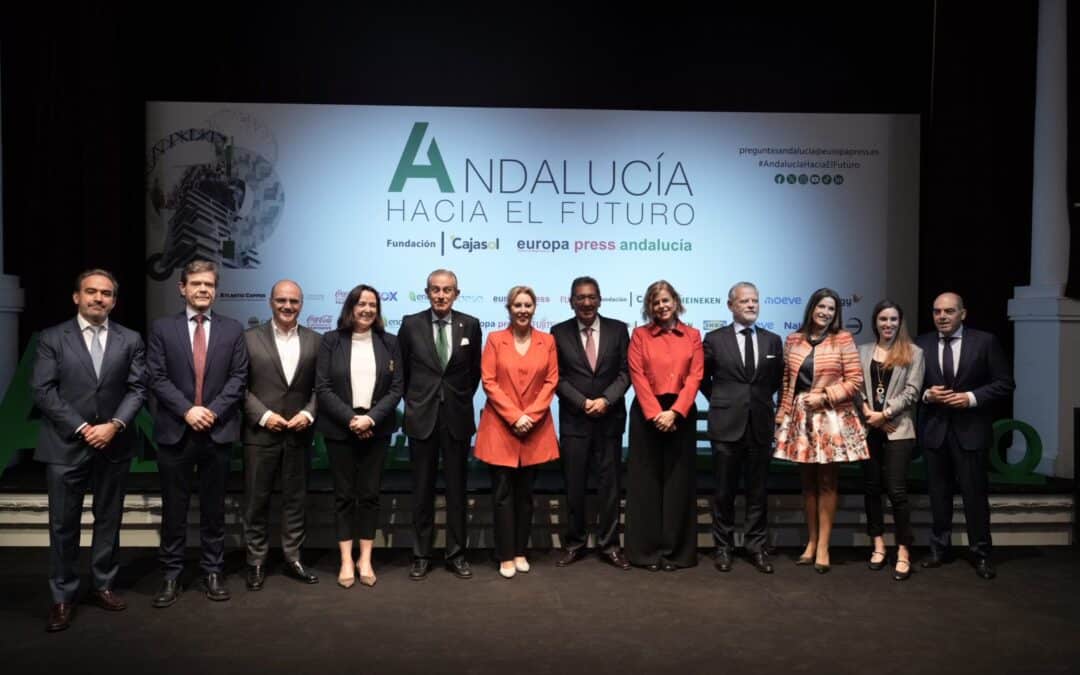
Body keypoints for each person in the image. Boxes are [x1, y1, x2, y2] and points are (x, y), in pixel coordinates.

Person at [32, 269, 146, 632]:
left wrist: (113, 426)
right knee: (63, 525)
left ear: (114, 299)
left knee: (108, 520)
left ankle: (103, 584)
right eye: (92, 292)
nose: (99, 298)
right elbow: (43, 390)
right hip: (66, 445)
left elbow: (138, 389)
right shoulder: (53, 338)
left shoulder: (130, 339)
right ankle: (62, 595)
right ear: (76, 297)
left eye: (107, 293)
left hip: (114, 443)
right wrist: (83, 428)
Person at [147, 260, 248, 606]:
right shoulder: (162, 328)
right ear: (182, 288)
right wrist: (187, 410)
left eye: (209, 284)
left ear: (215, 289)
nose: (203, 289)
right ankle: (171, 575)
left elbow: (238, 379)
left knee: (213, 509)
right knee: (174, 509)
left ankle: (213, 572)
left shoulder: (233, 330)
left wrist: (212, 411)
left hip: (217, 432)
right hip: (176, 431)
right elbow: (156, 377)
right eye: (196, 284)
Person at [916, 292, 1014, 580]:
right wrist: (927, 394)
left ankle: (982, 553)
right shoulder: (921, 344)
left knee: (974, 496)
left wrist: (971, 397)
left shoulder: (985, 342)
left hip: (971, 431)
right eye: (937, 311)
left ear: (963, 313)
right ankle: (939, 549)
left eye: (948, 311)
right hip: (935, 431)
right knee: (938, 495)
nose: (942, 317)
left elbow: (1005, 383)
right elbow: (913, 387)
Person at [774, 287, 867, 574]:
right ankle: (811, 543)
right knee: (807, 483)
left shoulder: (843, 339)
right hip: (801, 418)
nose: (825, 313)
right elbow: (787, 382)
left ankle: (824, 546)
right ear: (812, 308)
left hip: (831, 417)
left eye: (831, 309)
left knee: (827, 482)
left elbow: (855, 380)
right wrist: (782, 415)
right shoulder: (793, 339)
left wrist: (825, 396)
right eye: (821, 307)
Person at [315, 284, 403, 588]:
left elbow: (396, 388)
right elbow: (323, 386)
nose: (367, 309)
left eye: (372, 305)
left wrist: (370, 419)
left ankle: (365, 558)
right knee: (343, 497)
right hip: (341, 429)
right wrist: (351, 419)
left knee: (369, 495)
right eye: (361, 304)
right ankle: (345, 561)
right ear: (350, 307)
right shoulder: (330, 341)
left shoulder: (390, 342)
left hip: (376, 429)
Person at [397, 269, 482, 580]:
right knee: (421, 491)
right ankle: (421, 555)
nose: (441, 295)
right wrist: (419, 401)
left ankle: (456, 554)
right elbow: (402, 373)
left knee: (457, 490)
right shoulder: (410, 324)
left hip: (457, 419)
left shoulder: (470, 325)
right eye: (435, 290)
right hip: (422, 419)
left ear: (456, 294)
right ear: (427, 292)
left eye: (447, 290)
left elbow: (474, 373)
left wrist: (455, 399)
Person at [474, 285, 559, 579]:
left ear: (534, 308)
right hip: (500, 427)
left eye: (527, 305)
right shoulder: (495, 340)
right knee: (502, 495)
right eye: (517, 305)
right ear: (509, 309)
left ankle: (521, 551)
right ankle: (505, 555)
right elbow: (489, 381)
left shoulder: (547, 341)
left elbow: (551, 382)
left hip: (534, 430)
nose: (522, 310)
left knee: (526, 496)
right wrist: (514, 416)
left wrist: (530, 417)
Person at [241, 280, 321, 590]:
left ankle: (293, 557)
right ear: (270, 302)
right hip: (260, 433)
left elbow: (321, 387)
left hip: (299, 434)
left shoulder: (316, 340)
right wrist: (263, 416)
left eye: (294, 301)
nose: (288, 306)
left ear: (302, 304)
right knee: (255, 501)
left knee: (295, 500)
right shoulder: (248, 338)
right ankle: (256, 561)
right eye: (281, 300)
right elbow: (239, 386)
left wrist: (308, 414)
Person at [699, 282, 783, 574]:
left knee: (758, 491)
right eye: (745, 301)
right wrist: (722, 402)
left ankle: (756, 546)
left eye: (755, 301)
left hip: (759, 425)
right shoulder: (713, 339)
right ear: (730, 305)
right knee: (724, 491)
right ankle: (723, 547)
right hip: (726, 425)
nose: (751, 305)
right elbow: (702, 379)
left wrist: (755, 402)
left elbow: (775, 381)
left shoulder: (773, 341)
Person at [551, 276, 631, 570]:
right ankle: (575, 543)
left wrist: (606, 400)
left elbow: (626, 372)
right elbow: (556, 376)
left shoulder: (619, 329)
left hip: (609, 420)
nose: (586, 302)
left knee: (609, 486)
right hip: (575, 421)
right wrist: (582, 402)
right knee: (574, 486)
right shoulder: (557, 332)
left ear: (600, 299)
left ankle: (610, 545)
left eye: (591, 297)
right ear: (571, 301)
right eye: (580, 297)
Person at [625, 280, 704, 571]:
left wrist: (675, 412)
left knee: (677, 485)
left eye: (666, 300)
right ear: (649, 306)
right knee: (645, 484)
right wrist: (657, 413)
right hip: (648, 415)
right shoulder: (639, 335)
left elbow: (695, 377)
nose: (661, 306)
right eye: (655, 302)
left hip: (680, 416)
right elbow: (637, 375)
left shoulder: (693, 335)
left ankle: (675, 553)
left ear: (676, 301)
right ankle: (646, 553)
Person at [858, 300, 924, 581]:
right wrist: (868, 413)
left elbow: (912, 392)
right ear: (875, 322)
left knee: (896, 492)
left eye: (893, 319)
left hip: (899, 430)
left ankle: (904, 551)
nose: (888, 324)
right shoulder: (861, 351)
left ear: (900, 322)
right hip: (868, 429)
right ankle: (878, 545)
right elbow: (855, 387)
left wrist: (883, 415)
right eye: (883, 319)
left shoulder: (914, 352)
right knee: (872, 489)